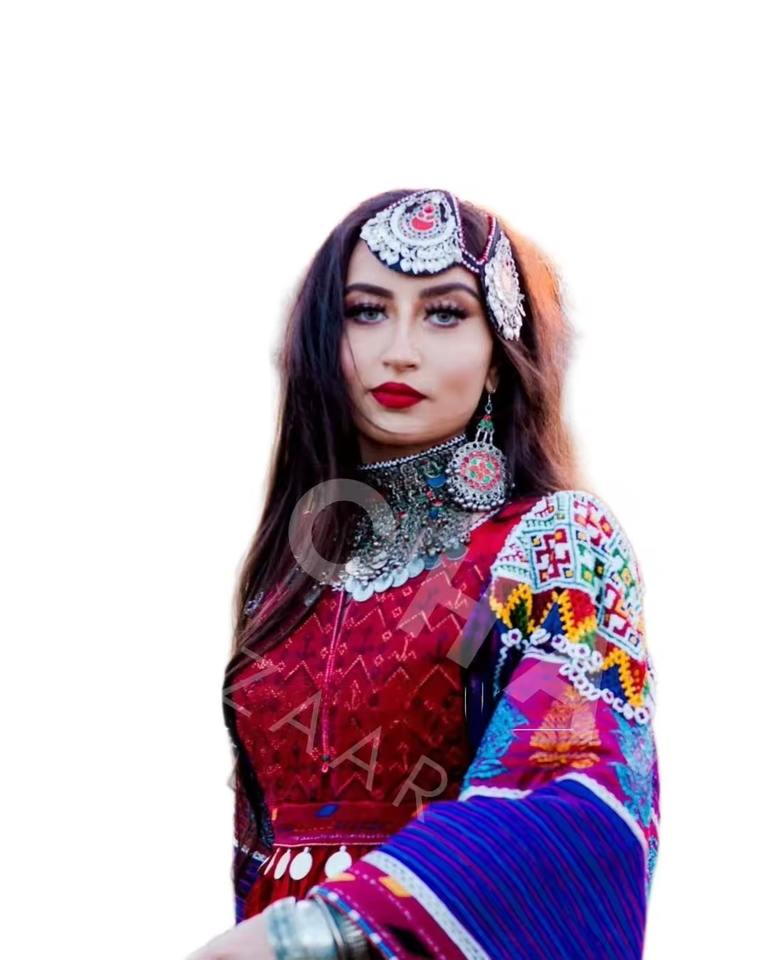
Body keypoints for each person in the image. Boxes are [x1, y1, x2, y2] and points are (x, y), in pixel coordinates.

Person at [187, 189, 659, 960]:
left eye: (443, 313)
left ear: (500, 355)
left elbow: (572, 791)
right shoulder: (288, 574)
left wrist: (320, 932)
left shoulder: (553, 545)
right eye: (365, 312)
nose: (398, 350)